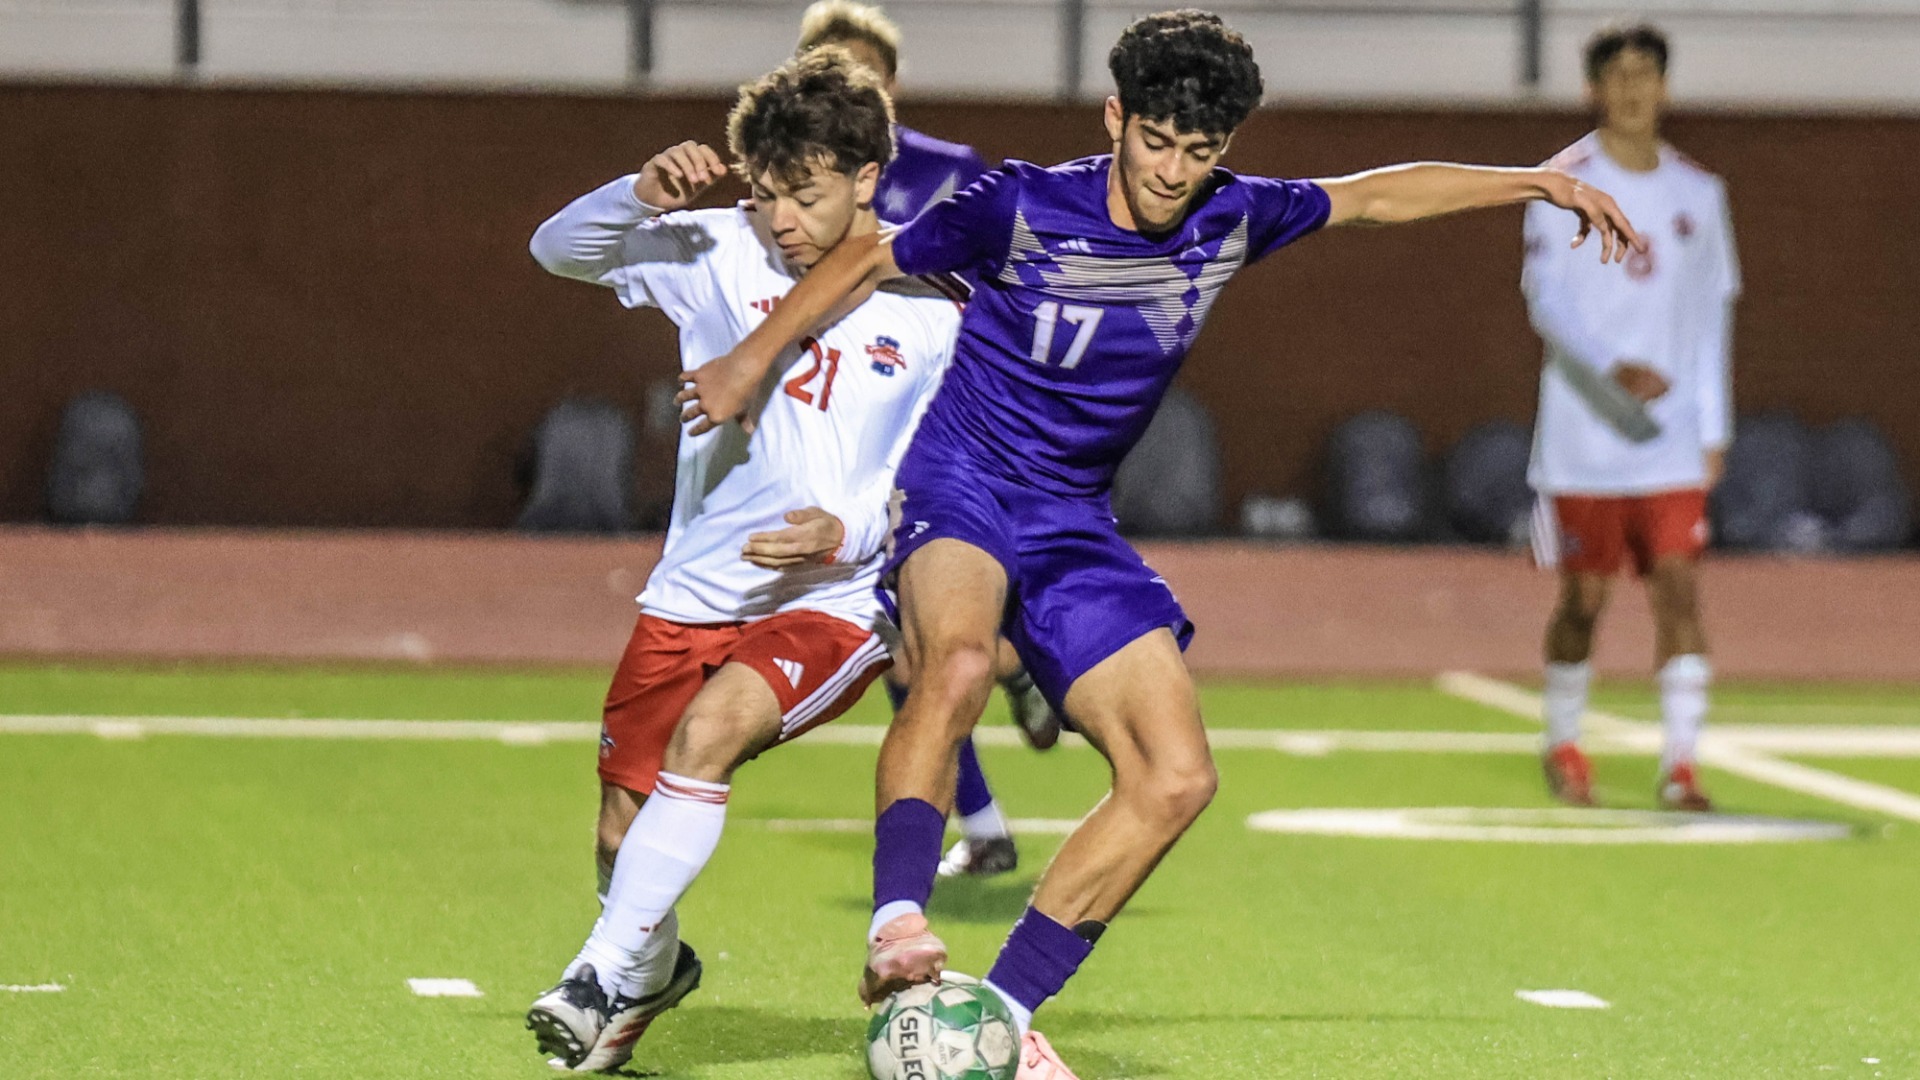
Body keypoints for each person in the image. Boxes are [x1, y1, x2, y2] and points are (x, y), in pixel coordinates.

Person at [678, 10, 1640, 1075]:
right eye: (1156, 140)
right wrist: (753, 361)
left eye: (1201, 150)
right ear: (1115, 116)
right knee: (952, 659)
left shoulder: (1233, 215)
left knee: (1176, 777)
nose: (1175, 170)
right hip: (966, 479)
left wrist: (1534, 181)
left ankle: (994, 1013)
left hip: (1075, 518)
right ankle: (897, 923)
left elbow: (1373, 196)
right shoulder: (1020, 205)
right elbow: (866, 261)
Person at [521, 50, 963, 1072]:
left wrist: (844, 535)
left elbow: (935, 487)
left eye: (803, 197)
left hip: (835, 603)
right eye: (764, 196)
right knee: (620, 844)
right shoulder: (718, 251)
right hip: (691, 594)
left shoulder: (931, 318)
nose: (781, 222)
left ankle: (594, 974)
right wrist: (638, 191)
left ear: (865, 180)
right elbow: (557, 250)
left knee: (710, 736)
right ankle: (654, 967)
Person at [798, 0, 1063, 880]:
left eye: (866, 74)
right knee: (904, 645)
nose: (851, 90)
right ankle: (987, 812)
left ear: (893, 84)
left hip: (946, 424)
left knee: (906, 638)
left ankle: (982, 822)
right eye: (833, 73)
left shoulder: (954, 173)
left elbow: (1007, 280)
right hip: (852, 426)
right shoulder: (793, 181)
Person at [1524, 23, 1740, 811]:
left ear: (1665, 87)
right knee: (1582, 602)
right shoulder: (1559, 183)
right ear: (1593, 89)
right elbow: (1546, 304)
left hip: (1672, 443)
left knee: (1680, 592)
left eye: (1646, 73)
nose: (1632, 88)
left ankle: (1682, 765)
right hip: (1584, 438)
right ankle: (1564, 739)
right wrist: (1612, 375)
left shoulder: (1699, 194)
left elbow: (1714, 313)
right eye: (1617, 74)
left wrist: (1714, 426)